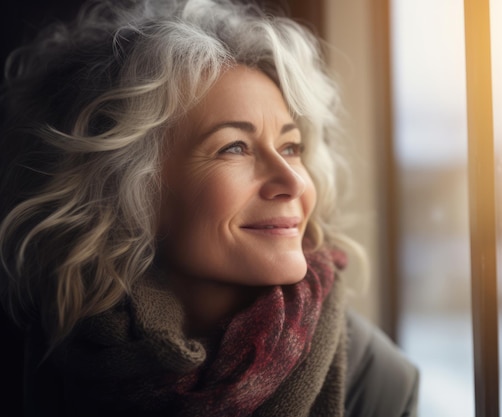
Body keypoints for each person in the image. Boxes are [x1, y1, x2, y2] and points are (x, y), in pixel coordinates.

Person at [0, 0, 419, 415]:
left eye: (291, 147)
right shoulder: (25, 342)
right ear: (126, 184)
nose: (292, 181)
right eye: (234, 147)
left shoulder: (378, 381)